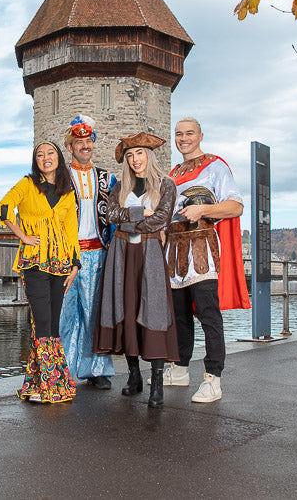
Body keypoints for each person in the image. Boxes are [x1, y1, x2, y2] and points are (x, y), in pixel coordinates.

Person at [163, 117, 250, 403]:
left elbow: (235, 206)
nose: (183, 138)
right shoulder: (173, 172)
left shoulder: (215, 166)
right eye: (179, 134)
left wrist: (204, 209)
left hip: (202, 250)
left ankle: (213, 378)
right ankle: (180, 368)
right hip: (174, 251)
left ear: (200, 136)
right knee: (179, 315)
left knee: (208, 316)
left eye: (189, 133)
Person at [94, 131, 178, 408]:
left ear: (149, 155)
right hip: (121, 253)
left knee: (152, 309)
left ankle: (156, 382)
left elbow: (161, 219)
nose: (135, 159)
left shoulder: (166, 184)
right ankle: (133, 376)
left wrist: (132, 220)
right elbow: (110, 214)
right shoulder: (121, 186)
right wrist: (142, 213)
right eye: (130, 156)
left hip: (150, 253)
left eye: (139, 153)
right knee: (126, 308)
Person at [0, 141, 81, 403]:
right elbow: (3, 208)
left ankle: (40, 383)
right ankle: (49, 385)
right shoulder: (27, 184)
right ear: (36, 161)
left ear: (59, 158)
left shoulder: (67, 191)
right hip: (34, 261)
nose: (46, 158)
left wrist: (75, 265)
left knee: (53, 323)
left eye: (50, 153)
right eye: (40, 155)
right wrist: (23, 235)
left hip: (60, 262)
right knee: (41, 320)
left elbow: (72, 230)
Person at [59, 115, 117, 389]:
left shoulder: (108, 178)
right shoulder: (58, 178)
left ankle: (97, 369)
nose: (84, 146)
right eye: (78, 142)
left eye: (87, 141)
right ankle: (64, 371)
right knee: (65, 314)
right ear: (69, 147)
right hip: (66, 256)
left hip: (97, 252)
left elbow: (117, 215)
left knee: (94, 312)